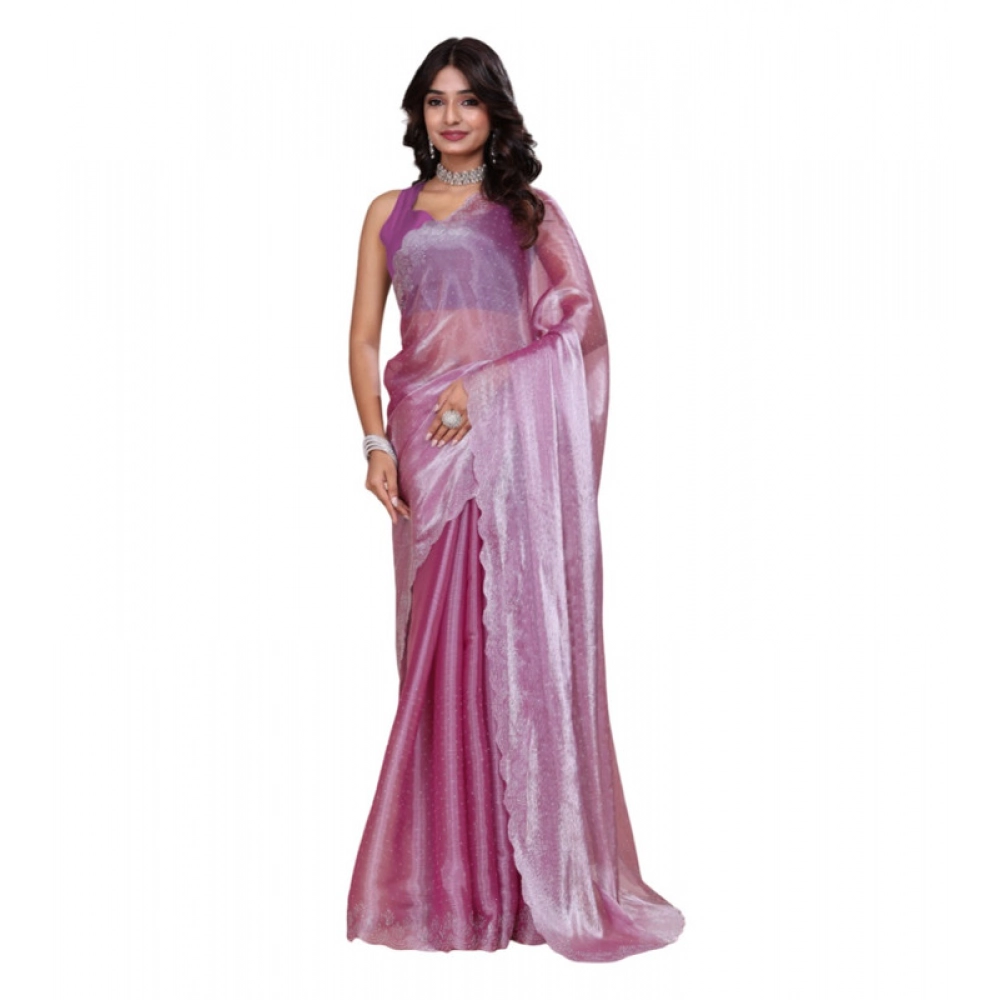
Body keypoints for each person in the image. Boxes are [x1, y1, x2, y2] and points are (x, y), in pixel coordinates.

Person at [346, 37, 685, 963]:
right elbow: (365, 337)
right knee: (435, 653)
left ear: (495, 110)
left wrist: (486, 391)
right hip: (422, 447)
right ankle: (451, 883)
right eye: (435, 100)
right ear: (417, 114)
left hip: (501, 453)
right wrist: (375, 443)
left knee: (506, 645)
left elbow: (579, 329)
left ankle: (531, 878)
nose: (451, 116)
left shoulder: (528, 213)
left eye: (468, 99)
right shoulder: (387, 212)